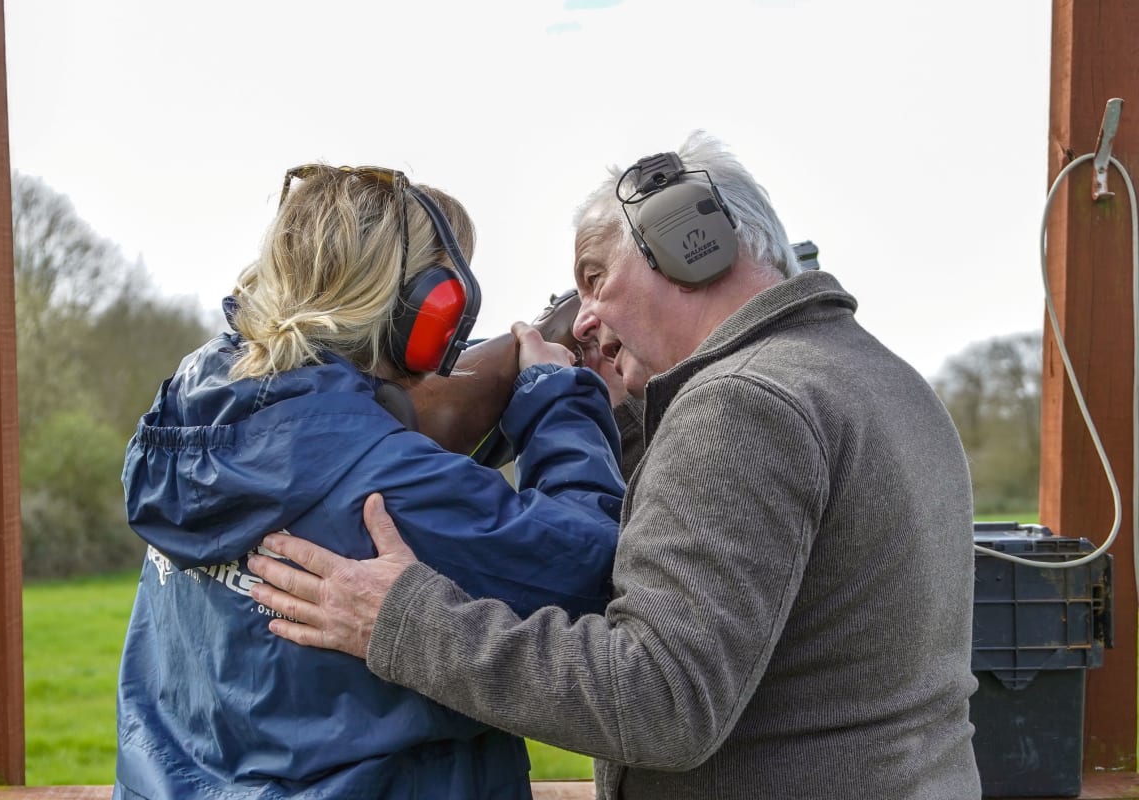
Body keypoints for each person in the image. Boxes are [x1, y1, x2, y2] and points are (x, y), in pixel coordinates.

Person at [247, 131, 982, 800]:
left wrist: (402, 621)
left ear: (691, 244)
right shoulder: (875, 378)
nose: (588, 318)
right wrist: (615, 409)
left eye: (596, 278)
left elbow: (659, 702)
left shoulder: (742, 405)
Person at [113, 163, 627, 799]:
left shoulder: (186, 431)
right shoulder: (392, 483)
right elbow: (594, 567)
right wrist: (557, 399)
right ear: (429, 310)